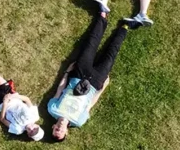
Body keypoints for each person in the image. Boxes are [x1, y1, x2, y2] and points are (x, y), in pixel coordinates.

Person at [46, 10, 131, 141]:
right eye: (61, 131)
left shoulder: (52, 110)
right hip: (96, 82)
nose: (60, 128)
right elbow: (90, 104)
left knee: (91, 45)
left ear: (53, 127)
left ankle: (102, 17)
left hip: (79, 74)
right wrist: (102, 88)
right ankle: (124, 28)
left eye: (57, 129)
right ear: (66, 132)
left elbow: (60, 89)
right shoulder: (79, 121)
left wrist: (67, 72)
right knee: (111, 54)